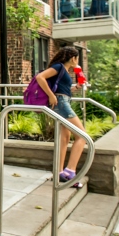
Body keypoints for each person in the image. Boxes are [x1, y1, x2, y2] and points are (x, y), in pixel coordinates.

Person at [35, 46, 86, 182]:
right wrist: (51, 96)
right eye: (77, 58)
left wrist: (75, 88)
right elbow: (40, 77)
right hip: (61, 103)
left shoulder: (64, 70)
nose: (77, 61)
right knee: (82, 136)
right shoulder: (59, 67)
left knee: (65, 138)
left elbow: (63, 89)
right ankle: (70, 171)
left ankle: (59, 172)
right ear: (73, 58)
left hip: (64, 101)